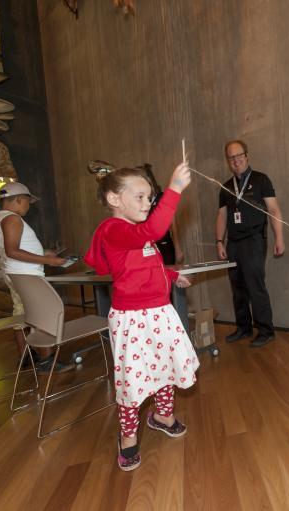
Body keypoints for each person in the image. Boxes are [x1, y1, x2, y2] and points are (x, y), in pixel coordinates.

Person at [85, 162, 200, 471]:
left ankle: (163, 415)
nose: (148, 203)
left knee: (166, 368)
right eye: (140, 196)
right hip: (132, 318)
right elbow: (153, 231)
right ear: (114, 199)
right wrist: (174, 189)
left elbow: (146, 264)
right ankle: (128, 436)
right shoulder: (113, 229)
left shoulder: (135, 234)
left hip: (160, 312)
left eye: (150, 197)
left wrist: (173, 276)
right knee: (132, 380)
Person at [0, 181, 70, 373]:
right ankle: (46, 361)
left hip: (17, 273)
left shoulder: (1, 218)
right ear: (19, 199)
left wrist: (45, 253)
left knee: (21, 315)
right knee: (43, 314)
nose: (29, 206)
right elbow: (12, 251)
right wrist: (47, 260)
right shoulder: (13, 219)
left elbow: (13, 249)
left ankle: (27, 355)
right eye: (28, 201)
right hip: (26, 275)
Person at [216, 140, 284, 348]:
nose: (236, 160)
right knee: (238, 287)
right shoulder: (226, 187)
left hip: (254, 240)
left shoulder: (261, 180)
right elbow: (221, 216)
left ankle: (265, 330)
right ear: (228, 161)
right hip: (233, 243)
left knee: (255, 285)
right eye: (231, 157)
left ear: (246, 155)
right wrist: (220, 241)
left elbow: (273, 210)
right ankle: (243, 328)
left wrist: (279, 237)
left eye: (239, 155)